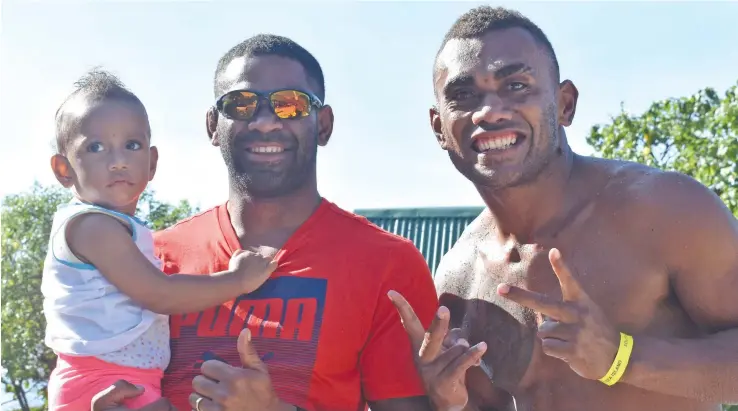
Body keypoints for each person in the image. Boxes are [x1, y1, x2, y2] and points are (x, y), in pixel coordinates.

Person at [389, 5, 738, 411]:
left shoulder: (668, 211)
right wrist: (448, 402)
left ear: (565, 103)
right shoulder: (456, 280)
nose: (489, 111)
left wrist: (620, 358)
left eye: (516, 85)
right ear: (439, 129)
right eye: (464, 95)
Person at [90, 34, 440, 411]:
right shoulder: (149, 257)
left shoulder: (388, 264)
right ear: (213, 125)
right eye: (240, 105)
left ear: (323, 125)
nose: (265, 122)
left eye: (290, 104)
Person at [42, 70, 279, 411]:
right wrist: (238, 280)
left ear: (151, 163)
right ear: (64, 170)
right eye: (95, 147)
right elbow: (159, 293)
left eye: (131, 145)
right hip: (102, 381)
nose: (118, 160)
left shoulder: (122, 227)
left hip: (123, 379)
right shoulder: (93, 226)